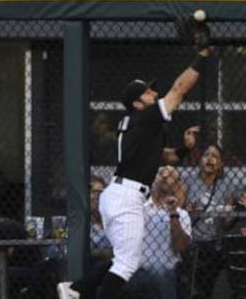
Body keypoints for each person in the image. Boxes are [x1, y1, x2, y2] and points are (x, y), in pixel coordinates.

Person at [57, 24, 211, 299]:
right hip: (126, 196)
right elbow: (179, 90)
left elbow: (166, 156)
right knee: (128, 264)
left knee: (125, 260)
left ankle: (76, 290)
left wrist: (186, 150)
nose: (154, 93)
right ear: (137, 101)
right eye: (149, 91)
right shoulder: (144, 116)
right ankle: (78, 292)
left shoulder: (136, 124)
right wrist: (201, 55)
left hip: (121, 194)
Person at [124, 166, 191, 299]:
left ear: (176, 184)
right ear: (153, 179)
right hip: (136, 270)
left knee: (160, 274)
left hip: (165, 273)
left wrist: (173, 214)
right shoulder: (137, 209)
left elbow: (181, 246)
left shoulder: (182, 215)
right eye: (161, 172)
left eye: (170, 175)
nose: (165, 176)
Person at [182, 144, 236, 299]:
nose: (210, 158)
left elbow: (226, 224)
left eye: (215, 156)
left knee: (208, 285)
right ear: (200, 160)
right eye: (207, 155)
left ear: (220, 164)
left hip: (214, 242)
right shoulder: (188, 182)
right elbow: (179, 209)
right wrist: (187, 208)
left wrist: (232, 213)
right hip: (191, 241)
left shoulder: (226, 185)